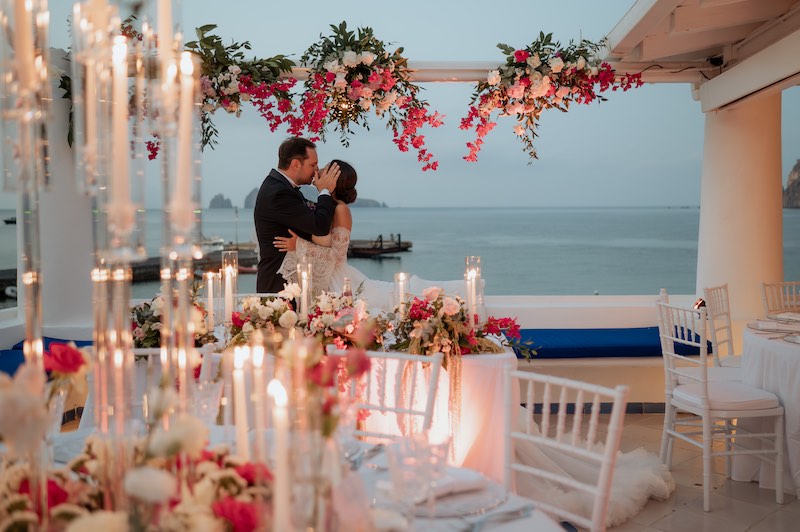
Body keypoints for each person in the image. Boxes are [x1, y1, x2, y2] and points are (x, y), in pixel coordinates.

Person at [254, 137, 341, 293]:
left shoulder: (281, 187)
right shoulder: (279, 193)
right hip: (278, 286)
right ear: (295, 164)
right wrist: (325, 191)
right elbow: (319, 226)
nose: (316, 171)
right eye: (313, 165)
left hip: (288, 284)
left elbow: (314, 218)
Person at [275, 160, 365, 297]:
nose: (318, 170)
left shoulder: (341, 209)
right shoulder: (326, 205)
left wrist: (298, 245)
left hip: (336, 280)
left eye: (323, 169)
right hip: (323, 276)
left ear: (333, 178)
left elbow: (339, 256)